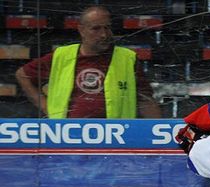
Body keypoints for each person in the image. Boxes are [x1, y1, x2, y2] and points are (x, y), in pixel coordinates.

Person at [15, 6, 161, 118]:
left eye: (107, 28)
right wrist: (46, 107)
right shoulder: (62, 55)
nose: (104, 34)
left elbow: (146, 101)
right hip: (67, 136)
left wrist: (161, 136)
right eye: (96, 29)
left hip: (114, 138)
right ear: (81, 30)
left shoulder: (128, 59)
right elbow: (22, 75)